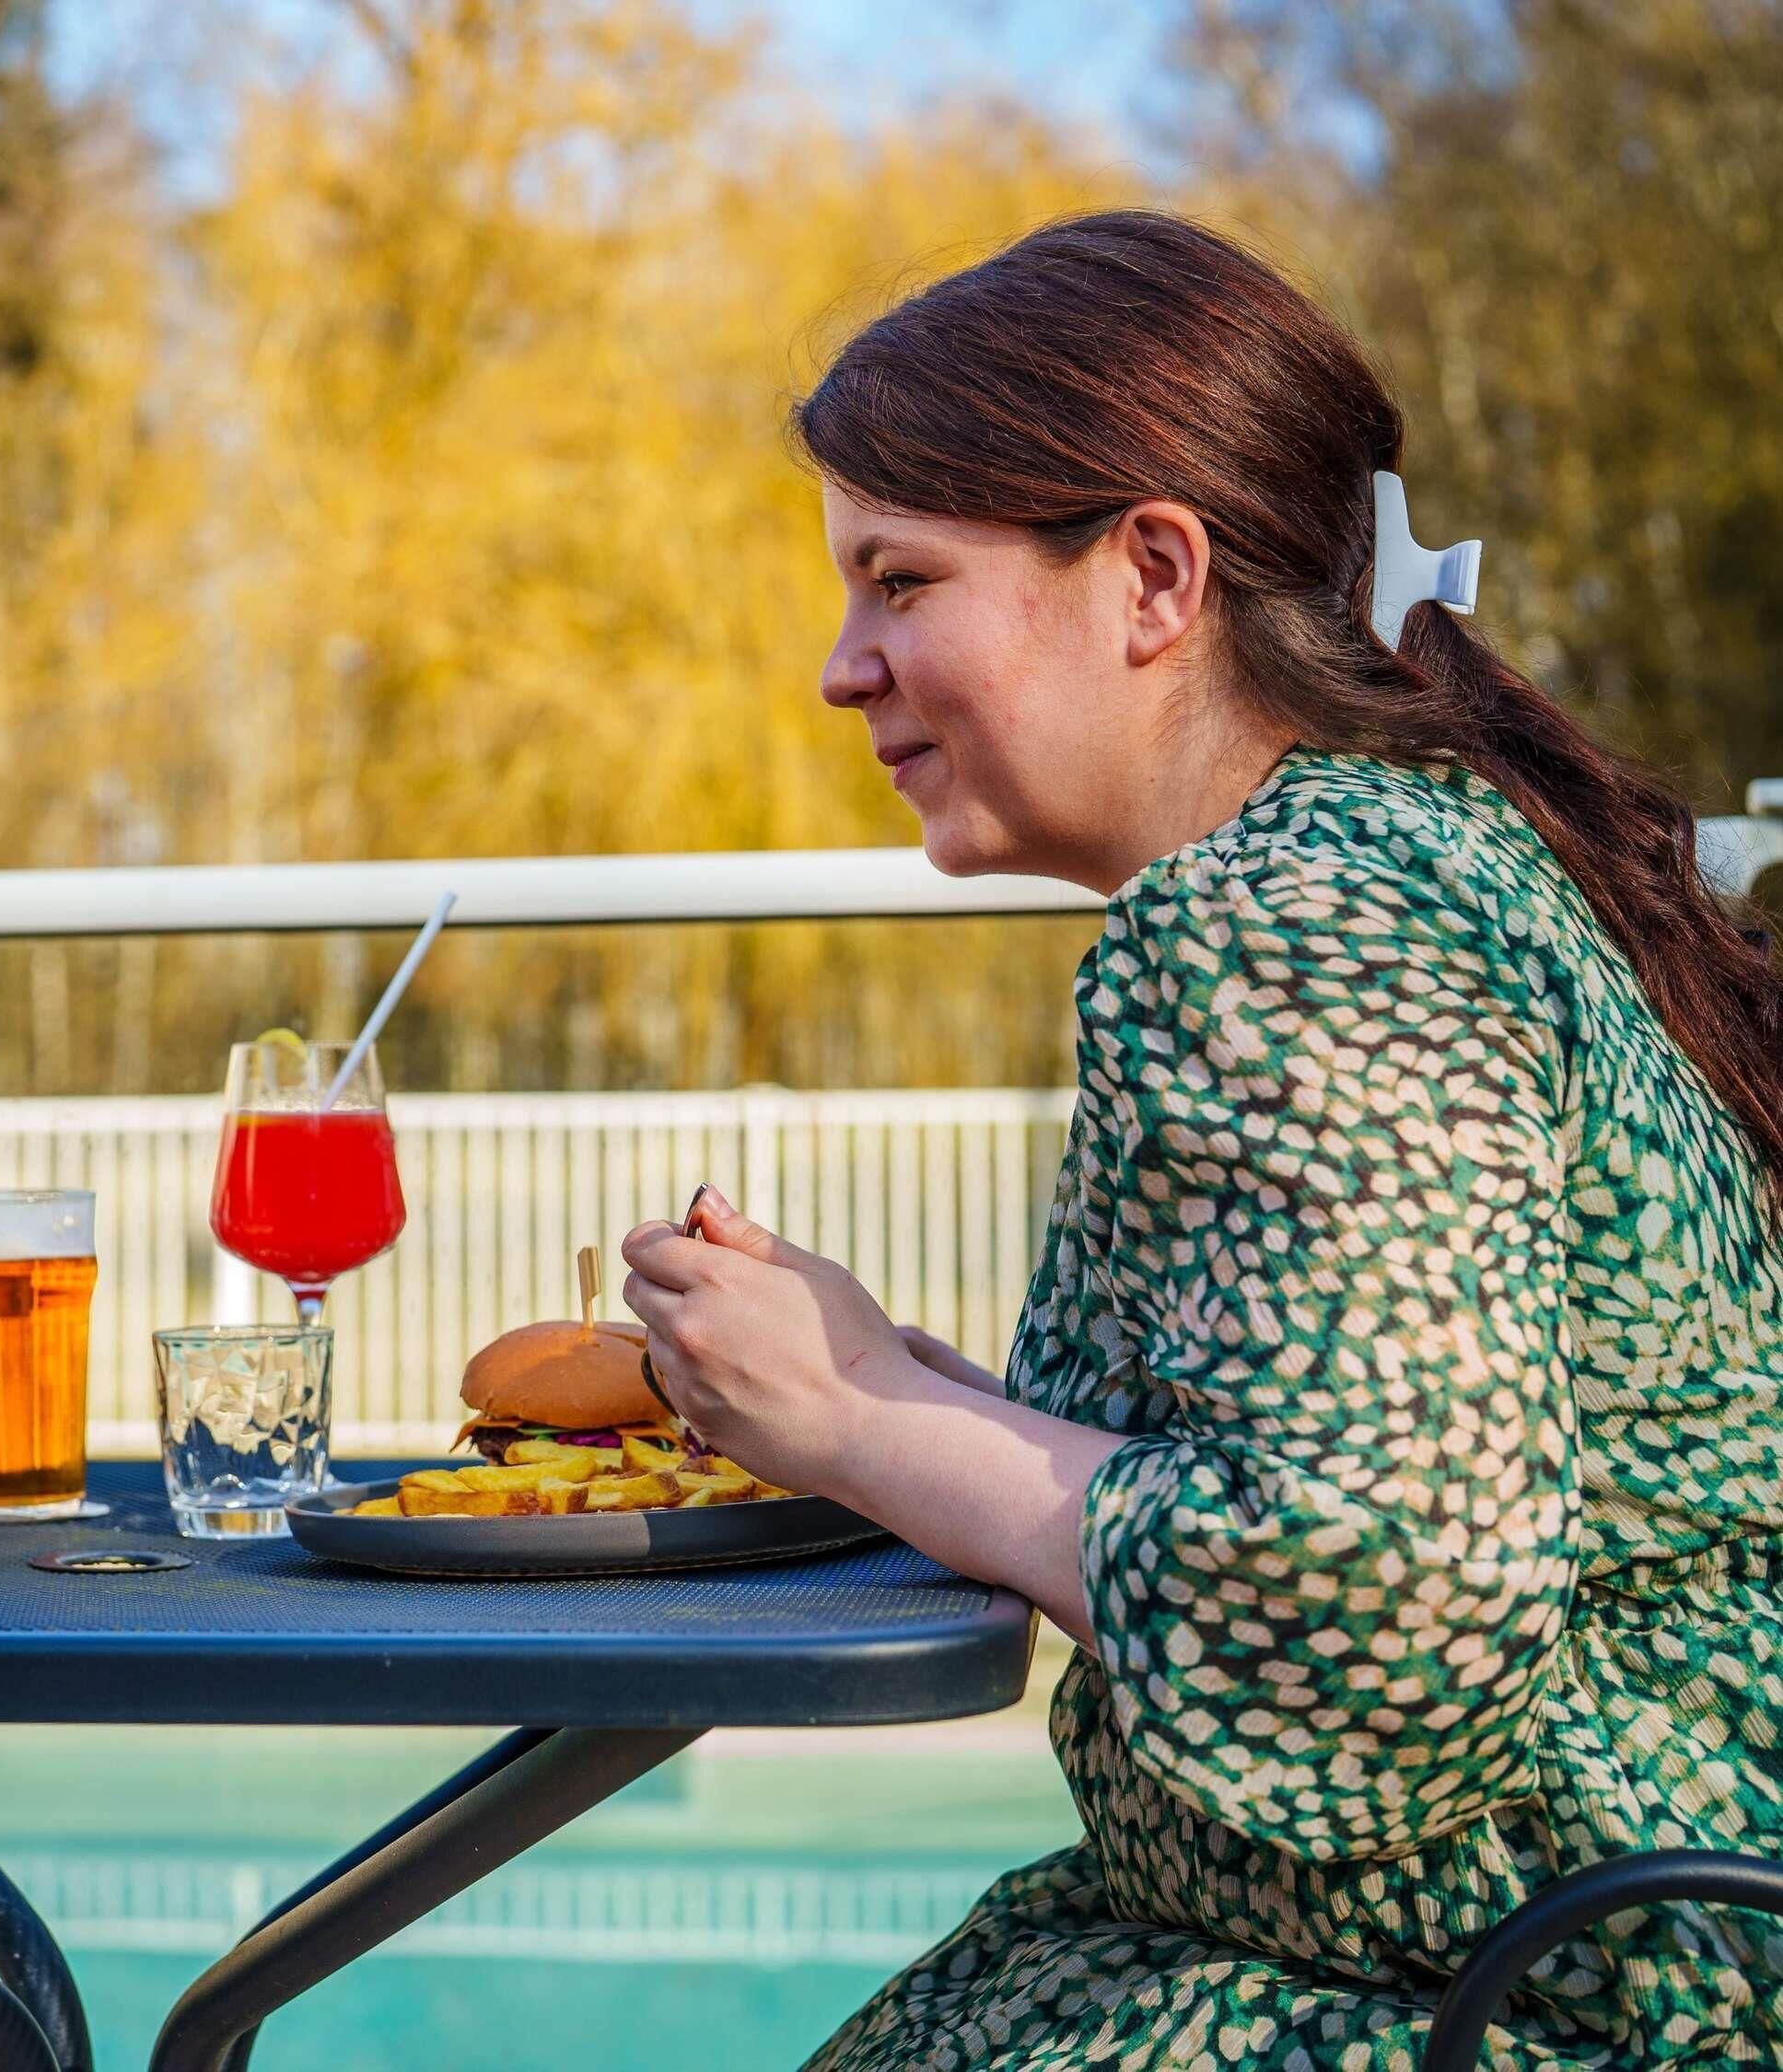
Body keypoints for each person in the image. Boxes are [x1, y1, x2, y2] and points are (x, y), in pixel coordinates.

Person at [621, 212, 1783, 2069]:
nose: (843, 666)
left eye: (900, 580)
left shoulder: (1292, 922)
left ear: (1154, 576)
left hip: (1558, 1988)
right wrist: (902, 1388)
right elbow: (1368, 1453)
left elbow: (1384, 1614)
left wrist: (853, 1419)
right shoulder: (1415, 851)